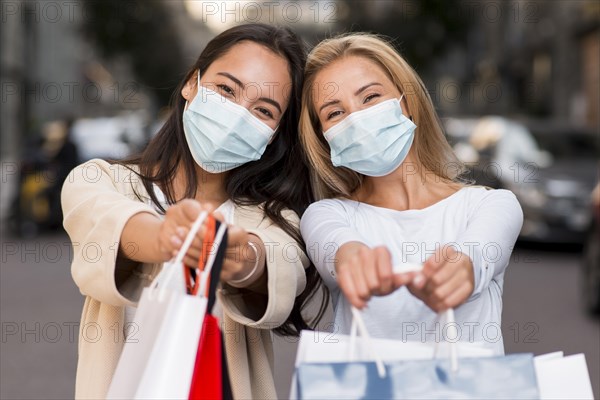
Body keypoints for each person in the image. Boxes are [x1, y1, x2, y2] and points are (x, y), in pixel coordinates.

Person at [62, 23, 325, 399]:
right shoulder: (100, 179)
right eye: (226, 89)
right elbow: (102, 220)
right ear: (191, 84)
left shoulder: (275, 218)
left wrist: (241, 258)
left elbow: (279, 264)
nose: (238, 115)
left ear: (276, 132)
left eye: (264, 110)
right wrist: (163, 236)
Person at [298, 33, 523, 353]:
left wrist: (462, 268)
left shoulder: (492, 204)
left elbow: (479, 254)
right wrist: (354, 262)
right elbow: (336, 249)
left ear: (407, 102)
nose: (357, 119)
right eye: (335, 113)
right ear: (324, 139)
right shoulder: (326, 214)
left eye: (370, 97)